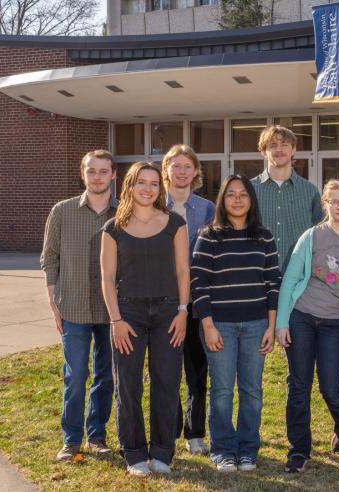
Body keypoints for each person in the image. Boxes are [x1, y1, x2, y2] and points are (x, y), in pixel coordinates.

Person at [100, 162, 190, 477]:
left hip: (168, 313)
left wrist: (182, 311)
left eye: (154, 183)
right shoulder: (113, 228)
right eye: (142, 182)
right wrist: (116, 320)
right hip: (128, 315)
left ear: (160, 188)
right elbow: (107, 279)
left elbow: (182, 271)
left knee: (167, 381)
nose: (148, 188)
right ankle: (135, 452)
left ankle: (163, 452)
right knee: (128, 384)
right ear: (130, 186)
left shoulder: (175, 223)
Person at [191, 174, 281, 473]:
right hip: (220, 327)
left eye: (243, 194)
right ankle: (223, 450)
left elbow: (272, 284)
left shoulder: (264, 237)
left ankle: (247, 450)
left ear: (251, 200)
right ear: (223, 200)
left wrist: (271, 326)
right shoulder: (209, 236)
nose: (238, 199)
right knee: (221, 391)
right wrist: (208, 326)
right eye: (231, 194)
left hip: (257, 325)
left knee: (252, 391)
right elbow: (199, 284)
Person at [276, 179, 339, 473]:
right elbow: (289, 279)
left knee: (332, 388)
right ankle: (299, 450)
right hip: (302, 317)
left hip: (334, 324)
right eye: (333, 201)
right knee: (298, 386)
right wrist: (282, 322)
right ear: (325, 203)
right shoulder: (311, 236)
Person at [41, 150, 117, 461]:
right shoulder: (63, 210)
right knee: (75, 376)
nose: (97, 177)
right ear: (82, 174)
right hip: (72, 307)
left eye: (103, 171)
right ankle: (71, 439)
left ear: (113, 175)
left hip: (113, 310)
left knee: (106, 375)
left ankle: (97, 435)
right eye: (91, 171)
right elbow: (50, 258)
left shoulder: (124, 212)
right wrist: (52, 300)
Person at [162, 144, 216, 456]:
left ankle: (195, 434)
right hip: (163, 300)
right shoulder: (154, 205)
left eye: (187, 166)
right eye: (176, 165)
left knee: (197, 370)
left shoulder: (208, 209)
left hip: (197, 301)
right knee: (166, 369)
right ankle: (170, 428)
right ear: (166, 169)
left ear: (195, 172)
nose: (182, 172)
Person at [251, 125, 322, 271]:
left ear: (293, 149)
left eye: (285, 145)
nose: (279, 150)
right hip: (257, 274)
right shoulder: (249, 190)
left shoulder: (310, 191)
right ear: (263, 152)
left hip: (299, 276)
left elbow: (320, 236)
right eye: (273, 145)